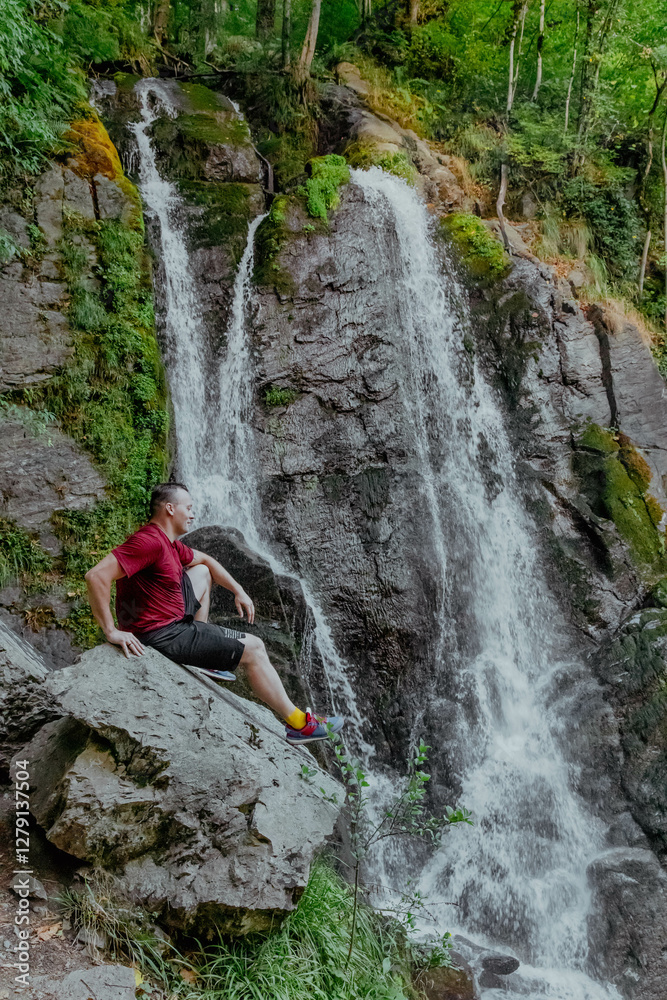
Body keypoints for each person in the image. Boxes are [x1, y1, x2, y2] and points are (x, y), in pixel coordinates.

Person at [85, 481, 344, 745]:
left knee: (201, 571)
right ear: (171, 509)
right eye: (189, 508)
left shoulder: (168, 544)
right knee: (255, 648)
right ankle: (299, 725)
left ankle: (205, 657)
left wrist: (238, 589)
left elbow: (207, 560)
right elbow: (96, 576)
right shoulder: (148, 542)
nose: (193, 514)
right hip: (162, 634)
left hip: (167, 621)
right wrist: (111, 630)